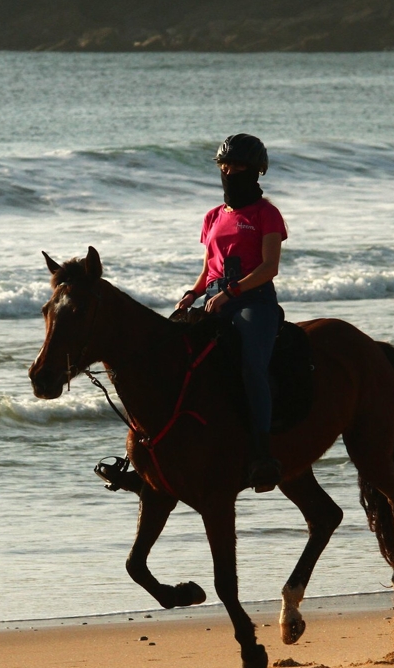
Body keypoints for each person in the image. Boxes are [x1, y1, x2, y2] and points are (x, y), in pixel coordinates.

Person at [175, 133, 287, 492]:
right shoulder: (211, 217)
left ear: (255, 172)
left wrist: (232, 292)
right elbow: (209, 267)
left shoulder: (266, 214)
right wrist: (192, 293)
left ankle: (262, 453)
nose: (228, 171)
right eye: (224, 165)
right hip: (212, 297)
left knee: (251, 364)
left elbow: (270, 267)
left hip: (254, 302)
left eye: (237, 166)